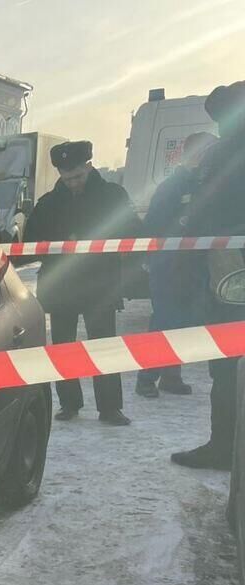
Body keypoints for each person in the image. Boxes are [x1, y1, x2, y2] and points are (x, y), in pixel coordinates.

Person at [25, 140, 143, 426]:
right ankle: (69, 402)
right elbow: (31, 240)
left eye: (77, 176)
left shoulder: (113, 196)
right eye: (66, 179)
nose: (72, 183)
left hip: (99, 284)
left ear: (89, 166)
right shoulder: (49, 202)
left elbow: (134, 233)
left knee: (103, 345)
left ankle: (110, 407)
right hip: (61, 284)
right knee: (63, 347)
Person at [171, 81, 245, 471]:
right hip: (229, 272)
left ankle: (224, 448)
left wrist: (186, 262)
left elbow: (205, 212)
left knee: (229, 364)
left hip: (232, 276)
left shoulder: (225, 154)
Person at [135, 131, 218, 398]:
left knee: (183, 320)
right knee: (163, 320)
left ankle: (171, 376)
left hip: (193, 263)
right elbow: (153, 225)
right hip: (168, 263)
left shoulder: (203, 182)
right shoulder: (173, 186)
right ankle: (146, 377)